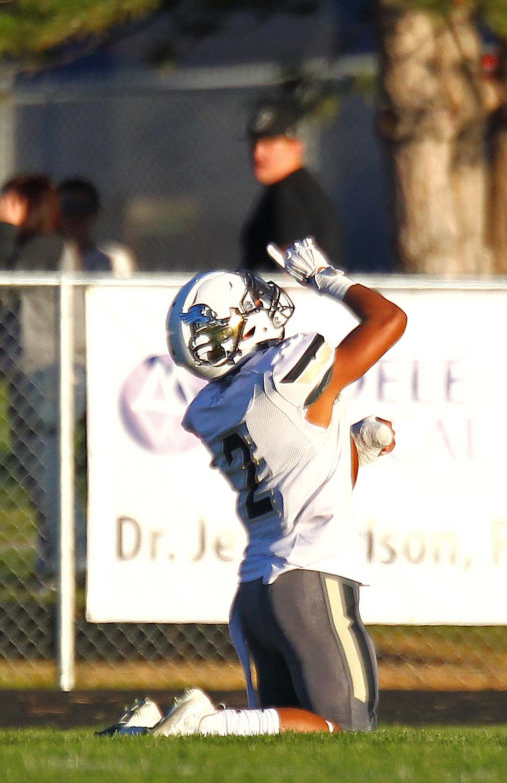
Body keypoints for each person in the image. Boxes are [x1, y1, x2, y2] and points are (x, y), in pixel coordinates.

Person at [98, 237, 406, 737]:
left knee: (284, 741)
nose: (263, 303)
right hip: (311, 586)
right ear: (236, 327)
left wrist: (357, 451)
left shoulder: (217, 406)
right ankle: (206, 723)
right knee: (346, 731)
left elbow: (308, 477)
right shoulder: (285, 374)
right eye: (250, 303)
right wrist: (327, 279)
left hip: (259, 597)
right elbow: (389, 321)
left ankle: (143, 731)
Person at [0, 174, 68, 581]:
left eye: (8, 203)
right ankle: (57, 556)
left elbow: (7, 284)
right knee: (35, 465)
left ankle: (69, 556)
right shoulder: (35, 246)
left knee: (45, 466)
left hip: (47, 369)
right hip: (30, 368)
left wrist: (6, 230)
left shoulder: (46, 244)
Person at [240, 95, 344, 271]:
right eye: (254, 143)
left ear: (295, 146)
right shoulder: (298, 189)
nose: (258, 153)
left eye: (269, 144)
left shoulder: (287, 196)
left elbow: (294, 271)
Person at [57, 177, 136, 276]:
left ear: (95, 213)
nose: (75, 217)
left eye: (83, 209)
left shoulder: (115, 259)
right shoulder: (48, 260)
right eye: (68, 209)